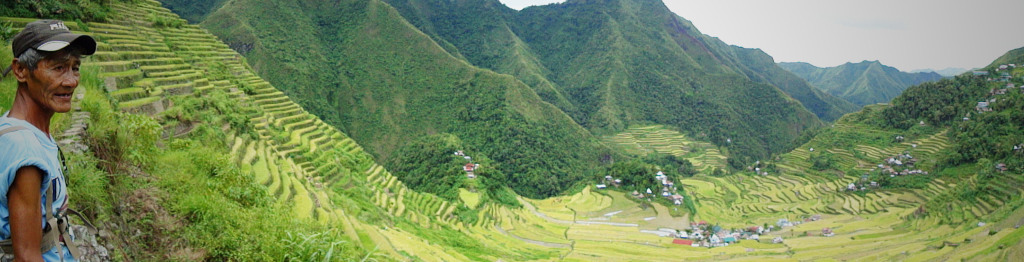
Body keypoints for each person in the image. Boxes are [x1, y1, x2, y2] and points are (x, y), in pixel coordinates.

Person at [0, 19, 96, 262]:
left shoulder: (22, 130)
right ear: (21, 70)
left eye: (75, 67)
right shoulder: (25, 150)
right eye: (58, 68)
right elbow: (27, 255)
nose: (71, 81)